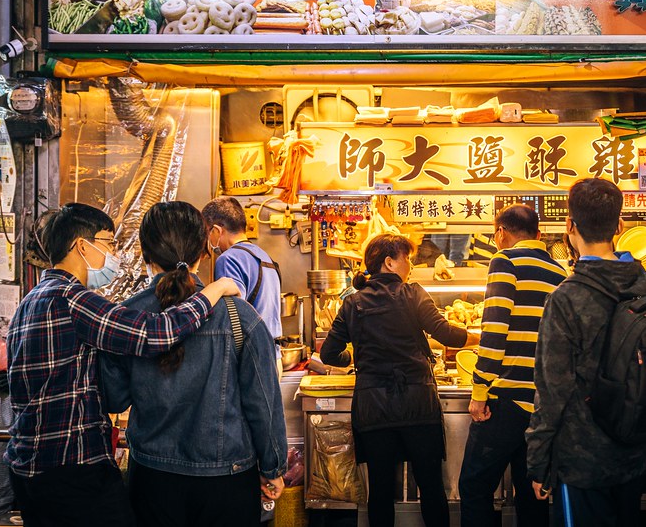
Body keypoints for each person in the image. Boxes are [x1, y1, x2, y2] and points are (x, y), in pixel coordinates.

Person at [6, 203, 241, 527]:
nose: (115, 253)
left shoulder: (31, 300)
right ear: (81, 245)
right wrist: (215, 289)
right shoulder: (72, 300)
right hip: (72, 467)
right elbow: (156, 332)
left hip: (27, 467)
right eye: (109, 243)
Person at [100, 202, 286, 527]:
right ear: (204, 250)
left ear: (146, 254)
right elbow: (264, 405)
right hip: (227, 479)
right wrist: (272, 468)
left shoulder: (125, 317)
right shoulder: (239, 317)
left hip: (152, 478)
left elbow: (114, 398)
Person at [526, 177, 646, 527]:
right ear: (619, 226)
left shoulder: (566, 298)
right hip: (634, 452)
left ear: (570, 226)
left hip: (582, 461)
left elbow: (552, 389)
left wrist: (538, 460)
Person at [320, 234, 479, 527]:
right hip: (417, 405)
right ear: (389, 262)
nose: (412, 265)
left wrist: (352, 360)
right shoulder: (413, 294)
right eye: (408, 258)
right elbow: (447, 335)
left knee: (380, 490)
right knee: (430, 485)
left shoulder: (352, 303)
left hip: (373, 409)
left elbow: (329, 353)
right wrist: (480, 337)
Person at [458, 204, 568, 527]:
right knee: (531, 495)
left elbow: (494, 331)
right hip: (541, 408)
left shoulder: (504, 261)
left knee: (475, 488)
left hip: (504, 404)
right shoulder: (560, 273)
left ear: (501, 233)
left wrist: (479, 390)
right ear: (538, 234)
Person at [201, 196, 283, 372]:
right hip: (274, 356)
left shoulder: (228, 259)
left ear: (216, 230)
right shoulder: (264, 257)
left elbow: (232, 316)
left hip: (251, 359)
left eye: (207, 232)